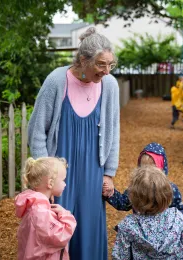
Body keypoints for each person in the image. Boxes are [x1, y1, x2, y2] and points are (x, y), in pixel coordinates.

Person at [27, 27, 120, 259]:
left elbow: (113, 131)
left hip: (92, 171)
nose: (106, 71)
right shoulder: (57, 81)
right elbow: (37, 131)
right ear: (83, 60)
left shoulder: (109, 86)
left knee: (89, 228)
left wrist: (108, 173)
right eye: (101, 64)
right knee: (57, 228)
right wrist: (44, 179)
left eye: (111, 64)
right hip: (58, 175)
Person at [112, 166, 183, 259]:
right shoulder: (176, 218)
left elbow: (120, 256)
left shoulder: (128, 225)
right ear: (167, 195)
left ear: (133, 198)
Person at [15, 157, 76, 260]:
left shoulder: (35, 205)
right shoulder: (40, 212)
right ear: (50, 183)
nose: (65, 184)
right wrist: (66, 215)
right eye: (63, 180)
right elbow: (60, 236)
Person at [105, 142, 183, 215]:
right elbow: (123, 203)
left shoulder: (169, 189)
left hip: (164, 230)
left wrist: (176, 227)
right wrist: (110, 192)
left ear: (161, 169)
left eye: (152, 168)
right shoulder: (137, 187)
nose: (148, 171)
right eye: (143, 167)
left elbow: (180, 211)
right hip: (140, 229)